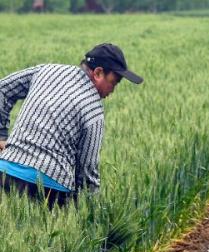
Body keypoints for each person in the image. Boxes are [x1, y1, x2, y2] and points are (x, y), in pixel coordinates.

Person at [0, 43, 143, 207]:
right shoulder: (93, 110)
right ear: (98, 73)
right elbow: (87, 173)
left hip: (5, 171)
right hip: (49, 190)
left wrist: (1, 135)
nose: (113, 90)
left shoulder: (47, 70)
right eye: (114, 82)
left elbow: (2, 89)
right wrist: (90, 214)